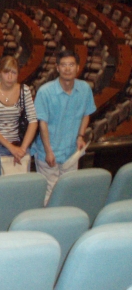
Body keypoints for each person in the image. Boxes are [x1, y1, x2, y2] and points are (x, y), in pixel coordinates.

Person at [32, 50, 96, 203]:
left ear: (78, 67)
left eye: (71, 65)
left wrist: (80, 136)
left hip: (71, 153)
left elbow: (86, 114)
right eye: (64, 65)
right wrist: (48, 151)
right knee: (49, 196)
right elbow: (42, 123)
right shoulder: (45, 92)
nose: (67, 69)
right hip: (48, 153)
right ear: (57, 68)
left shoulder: (85, 89)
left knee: (68, 194)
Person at [0, 56, 38, 177]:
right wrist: (11, 148)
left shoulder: (24, 91)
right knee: (2, 185)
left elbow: (33, 121)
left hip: (21, 145)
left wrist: (23, 148)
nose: (10, 77)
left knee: (22, 185)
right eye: (6, 72)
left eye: (13, 73)